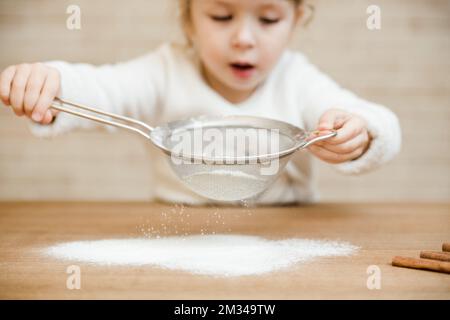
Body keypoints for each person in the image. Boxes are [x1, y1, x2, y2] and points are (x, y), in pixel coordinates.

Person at [0, 0, 401, 205]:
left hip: (287, 235)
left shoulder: (298, 79)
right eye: (221, 16)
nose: (244, 38)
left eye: (268, 19)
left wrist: (360, 133)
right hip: (177, 239)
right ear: (188, 19)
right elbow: (101, 88)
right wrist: (51, 82)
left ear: (296, 21)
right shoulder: (165, 70)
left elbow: (380, 123)